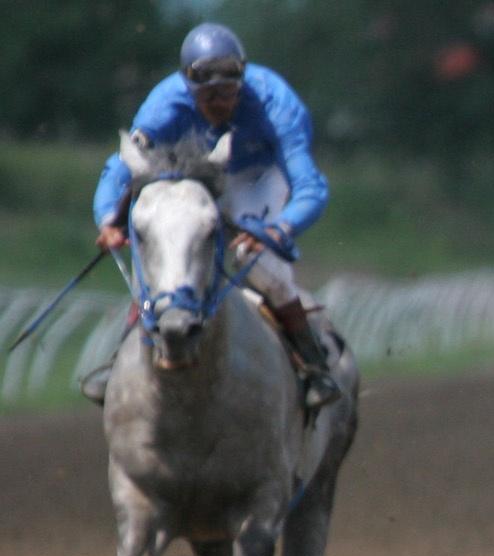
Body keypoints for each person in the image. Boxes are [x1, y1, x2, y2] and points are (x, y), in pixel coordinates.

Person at [83, 22, 340, 409]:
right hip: (194, 174)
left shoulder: (276, 103)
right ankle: (121, 359)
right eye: (207, 94)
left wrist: (278, 229)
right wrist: (107, 219)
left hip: (256, 177)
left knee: (258, 263)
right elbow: (121, 167)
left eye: (228, 91)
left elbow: (310, 186)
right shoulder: (164, 105)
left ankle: (312, 363)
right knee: (165, 253)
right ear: (188, 87)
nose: (219, 103)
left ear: (242, 81)